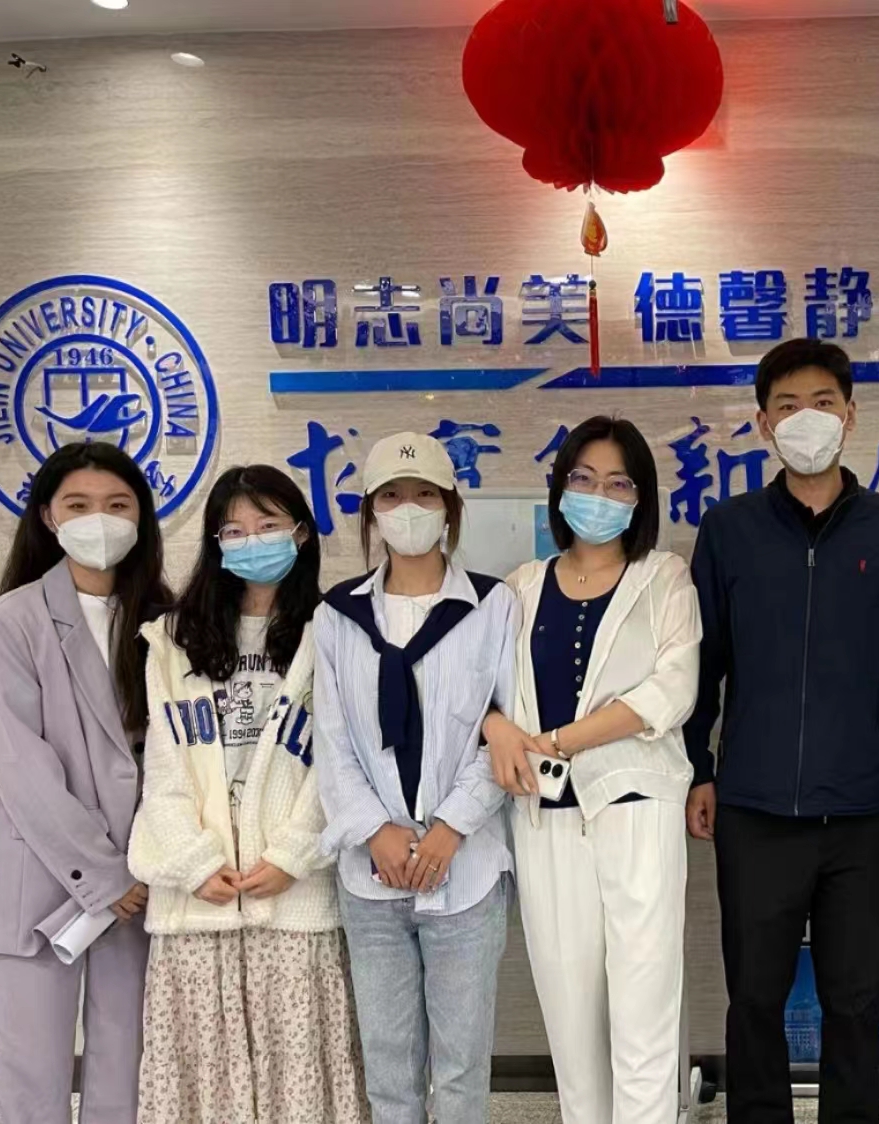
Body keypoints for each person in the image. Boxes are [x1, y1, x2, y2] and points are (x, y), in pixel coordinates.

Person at [683, 338, 879, 1124]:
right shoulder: (728, 531)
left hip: (860, 814)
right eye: (788, 406)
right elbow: (702, 664)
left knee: (855, 1001)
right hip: (753, 809)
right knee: (754, 998)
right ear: (763, 423)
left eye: (823, 403)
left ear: (851, 415)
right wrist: (699, 768)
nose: (807, 419)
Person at [128, 465, 367, 1123]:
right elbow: (165, 769)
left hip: (293, 893)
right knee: (203, 1075)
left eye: (268, 525)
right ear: (215, 542)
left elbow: (341, 764)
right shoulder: (172, 641)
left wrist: (293, 854)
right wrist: (193, 862)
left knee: (300, 1073)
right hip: (198, 897)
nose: (252, 540)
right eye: (233, 530)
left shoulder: (335, 631)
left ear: (300, 533)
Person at [486, 415, 701, 1124]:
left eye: (618, 484)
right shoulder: (521, 587)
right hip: (544, 816)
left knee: (643, 1007)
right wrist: (496, 727)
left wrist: (560, 739)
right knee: (569, 1010)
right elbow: (477, 688)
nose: (598, 496)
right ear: (560, 488)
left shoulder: (663, 577)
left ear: (640, 499)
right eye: (584, 479)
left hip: (636, 808)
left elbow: (672, 690)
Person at [313, 431, 518, 1124]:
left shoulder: (493, 607)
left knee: (461, 1070)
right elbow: (332, 739)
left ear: (450, 508)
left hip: (467, 870)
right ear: (371, 512)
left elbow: (508, 728)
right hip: (371, 877)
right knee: (389, 1067)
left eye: (425, 494)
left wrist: (450, 828)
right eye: (392, 496)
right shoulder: (337, 615)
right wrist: (376, 830)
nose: (408, 509)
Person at [0, 442, 171, 1124]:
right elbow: (20, 767)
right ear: (48, 518)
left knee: (129, 1070)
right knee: (31, 1078)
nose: (99, 520)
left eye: (117, 505)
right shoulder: (9, 622)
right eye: (78, 505)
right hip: (44, 881)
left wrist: (150, 865)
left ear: (141, 517)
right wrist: (105, 874)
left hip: (144, 883)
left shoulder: (168, 622)